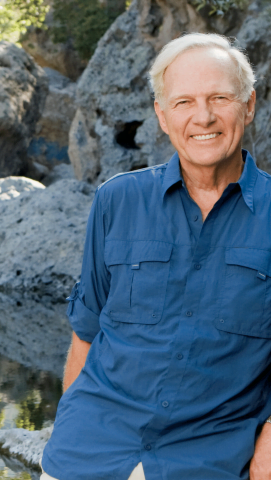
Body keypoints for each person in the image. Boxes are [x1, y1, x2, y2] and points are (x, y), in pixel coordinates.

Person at [40, 33, 271, 480]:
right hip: (88, 454)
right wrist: (66, 433)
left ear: (248, 105)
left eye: (219, 97)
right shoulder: (117, 200)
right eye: (183, 102)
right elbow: (86, 335)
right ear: (162, 117)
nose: (203, 116)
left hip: (210, 461)